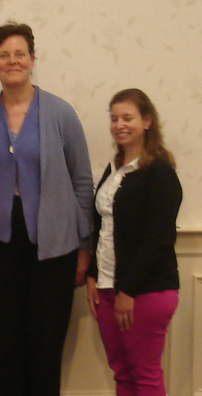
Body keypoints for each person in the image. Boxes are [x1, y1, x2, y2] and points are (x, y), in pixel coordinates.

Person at [0, 21, 94, 396]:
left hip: (54, 250)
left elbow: (82, 182)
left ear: (32, 59)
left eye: (19, 53)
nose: (12, 61)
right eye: (3, 55)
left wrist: (83, 246)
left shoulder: (60, 113)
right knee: (5, 349)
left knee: (45, 350)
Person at [86, 88, 181, 396]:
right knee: (122, 373)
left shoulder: (160, 173)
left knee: (145, 374)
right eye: (114, 119)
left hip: (145, 291)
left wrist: (128, 289)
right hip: (107, 287)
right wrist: (92, 275)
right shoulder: (113, 170)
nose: (119, 125)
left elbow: (158, 239)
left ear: (148, 121)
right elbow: (100, 227)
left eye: (128, 118)